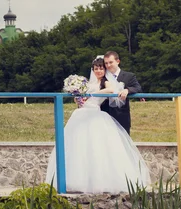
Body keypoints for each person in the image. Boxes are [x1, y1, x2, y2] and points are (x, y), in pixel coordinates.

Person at [45, 57, 151, 194]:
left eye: (101, 68)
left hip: (96, 114)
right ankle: (76, 181)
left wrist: (91, 94)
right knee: (78, 147)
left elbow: (110, 90)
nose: (99, 70)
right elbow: (79, 100)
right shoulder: (87, 83)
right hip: (81, 114)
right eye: (96, 68)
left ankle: (100, 183)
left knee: (97, 148)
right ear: (93, 70)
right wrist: (79, 96)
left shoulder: (106, 82)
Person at [100, 51, 142, 135]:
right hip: (105, 116)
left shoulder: (129, 76)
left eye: (111, 62)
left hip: (122, 116)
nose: (108, 65)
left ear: (118, 61)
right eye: (106, 63)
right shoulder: (102, 77)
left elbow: (138, 87)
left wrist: (127, 90)